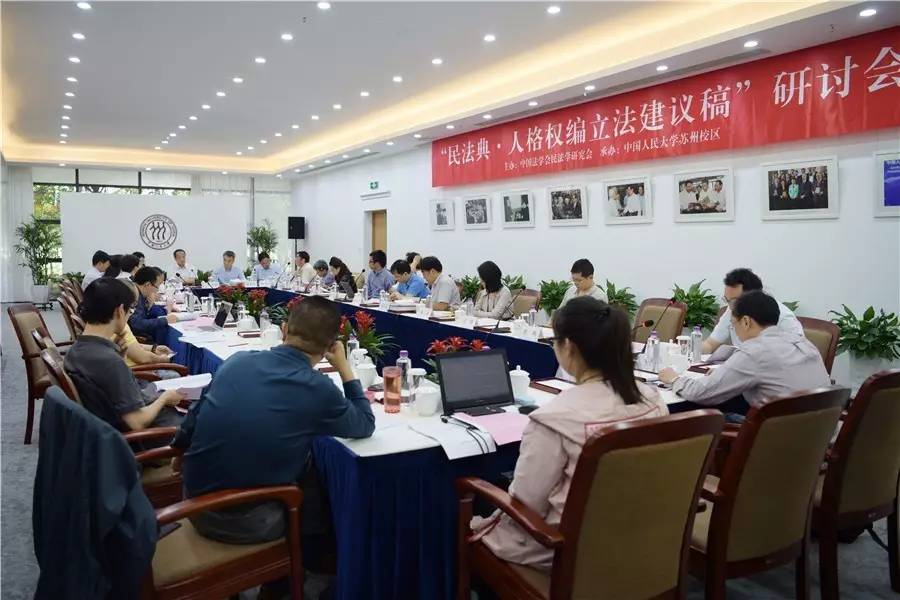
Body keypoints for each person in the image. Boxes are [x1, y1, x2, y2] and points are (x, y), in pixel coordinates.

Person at [472, 297, 667, 570]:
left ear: (568, 347)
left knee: (471, 516)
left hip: (568, 551)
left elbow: (525, 503)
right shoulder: (653, 399)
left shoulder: (553, 418)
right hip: (643, 536)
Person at [172, 295, 375, 545]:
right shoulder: (318, 388)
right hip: (245, 520)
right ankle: (311, 553)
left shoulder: (237, 361)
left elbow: (195, 415)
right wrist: (344, 368)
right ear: (331, 346)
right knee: (312, 465)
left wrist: (178, 449)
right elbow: (365, 424)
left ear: (284, 329)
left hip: (192, 501)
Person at [660, 291, 829, 415]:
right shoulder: (805, 344)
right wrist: (725, 375)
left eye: (733, 324)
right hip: (817, 435)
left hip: (776, 440)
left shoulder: (754, 352)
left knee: (682, 408)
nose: (734, 329)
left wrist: (674, 379)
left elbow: (701, 392)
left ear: (746, 322)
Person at [64, 278, 185, 432]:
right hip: (151, 434)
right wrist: (165, 398)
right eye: (130, 311)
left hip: (109, 425)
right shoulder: (110, 362)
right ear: (120, 311)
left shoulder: (75, 351)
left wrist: (119, 356)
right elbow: (137, 422)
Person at [702, 268, 803, 354]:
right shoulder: (732, 309)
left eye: (734, 301)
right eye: (727, 300)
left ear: (754, 296)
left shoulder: (783, 317)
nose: (731, 307)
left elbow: (798, 355)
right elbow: (710, 344)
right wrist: (694, 349)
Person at [129, 266, 177, 344]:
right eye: (157, 287)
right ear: (148, 284)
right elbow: (137, 324)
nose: (157, 290)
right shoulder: (135, 296)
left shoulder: (139, 293)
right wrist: (165, 320)